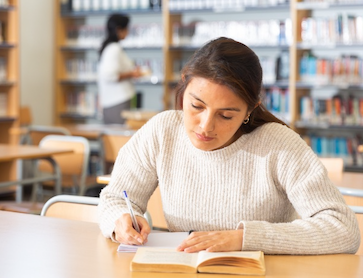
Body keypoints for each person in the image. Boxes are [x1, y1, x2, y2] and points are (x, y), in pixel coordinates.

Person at [98, 37, 360, 255]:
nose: (205, 126)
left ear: (250, 109)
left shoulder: (279, 145)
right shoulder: (162, 131)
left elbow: (343, 229)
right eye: (196, 106)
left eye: (226, 115)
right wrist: (120, 220)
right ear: (183, 84)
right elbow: (114, 197)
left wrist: (243, 239)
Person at [97, 13, 142, 124]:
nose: (128, 31)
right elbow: (109, 75)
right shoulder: (114, 49)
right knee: (120, 138)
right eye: (126, 28)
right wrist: (131, 74)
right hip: (117, 102)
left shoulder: (109, 47)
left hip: (114, 102)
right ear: (119, 29)